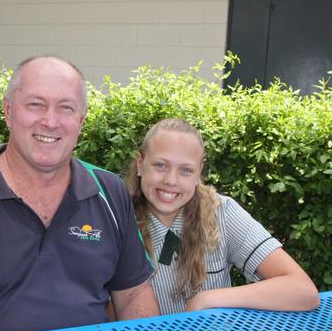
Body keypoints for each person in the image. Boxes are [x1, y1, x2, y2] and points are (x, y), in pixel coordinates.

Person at [0, 56, 160, 331]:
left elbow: (134, 294)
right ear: (8, 111)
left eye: (66, 108)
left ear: (80, 120)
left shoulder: (109, 192)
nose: (50, 121)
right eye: (35, 105)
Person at [128, 118, 320, 315]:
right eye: (160, 165)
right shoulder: (117, 217)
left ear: (199, 172)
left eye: (186, 170)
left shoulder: (222, 212)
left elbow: (303, 290)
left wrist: (208, 299)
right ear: (140, 164)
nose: (170, 180)